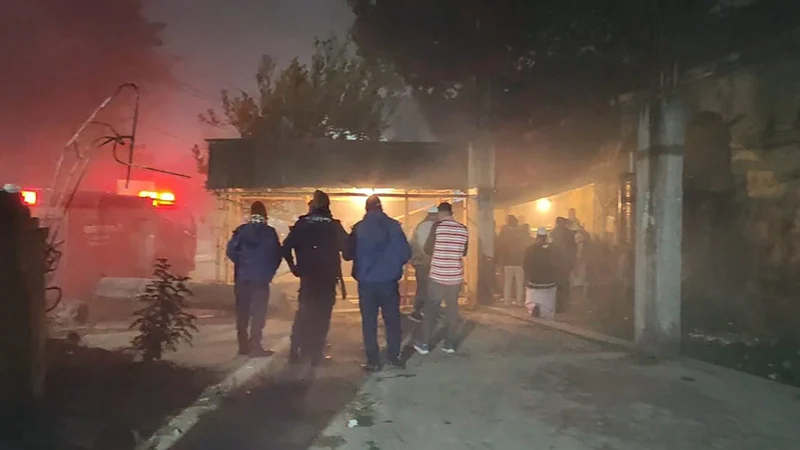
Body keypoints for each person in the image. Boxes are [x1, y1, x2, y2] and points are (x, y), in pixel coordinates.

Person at [282, 190, 349, 366]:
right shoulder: (333, 225)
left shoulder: (302, 224)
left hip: (308, 279)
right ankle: (315, 355)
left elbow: (286, 247)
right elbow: (348, 251)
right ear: (327, 206)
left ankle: (295, 351)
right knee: (322, 317)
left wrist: (294, 268)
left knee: (304, 314)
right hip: (327, 280)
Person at [347, 195, 411, 371]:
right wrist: (392, 265)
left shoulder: (359, 228)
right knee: (392, 320)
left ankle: (373, 361)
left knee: (369, 322)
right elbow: (406, 253)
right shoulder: (394, 226)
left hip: (367, 283)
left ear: (366, 209)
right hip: (389, 282)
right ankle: (394, 357)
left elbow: (348, 254)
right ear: (381, 207)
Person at [225, 201, 283, 357]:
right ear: (265, 215)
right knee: (258, 313)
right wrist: (268, 271)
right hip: (261, 279)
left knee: (242, 313)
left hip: (243, 278)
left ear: (251, 214)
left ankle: (243, 346)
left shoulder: (241, 231)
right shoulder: (270, 233)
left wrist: (242, 263)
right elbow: (277, 255)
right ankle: (256, 346)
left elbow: (230, 251)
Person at [414, 202, 468, 355]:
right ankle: (449, 344)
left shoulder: (437, 227)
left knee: (431, 309)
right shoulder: (463, 229)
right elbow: (464, 252)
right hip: (455, 277)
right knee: (452, 311)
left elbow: (427, 249)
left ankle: (425, 344)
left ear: (440, 213)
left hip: (437, 275)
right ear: (451, 213)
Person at [408, 206, 439, 322]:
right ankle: (427, 313)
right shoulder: (435, 227)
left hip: (420, 262)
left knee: (422, 287)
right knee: (431, 288)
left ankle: (417, 311)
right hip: (430, 262)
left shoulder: (419, 226)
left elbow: (413, 244)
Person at [523, 227, 557, 319]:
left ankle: (534, 307)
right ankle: (546, 314)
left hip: (534, 280)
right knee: (548, 301)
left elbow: (525, 264)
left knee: (533, 298)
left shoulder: (529, 248)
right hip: (548, 281)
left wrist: (527, 276)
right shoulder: (551, 249)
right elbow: (556, 263)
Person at [497, 215, 526, 306]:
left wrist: (501, 261)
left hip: (507, 261)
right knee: (519, 283)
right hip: (519, 261)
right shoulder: (521, 231)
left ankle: (507, 301)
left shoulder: (504, 232)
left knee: (507, 282)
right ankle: (519, 301)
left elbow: (500, 246)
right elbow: (524, 246)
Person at [551, 217, 577, 313]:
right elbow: (574, 249)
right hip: (566, 264)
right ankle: (565, 305)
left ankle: (557, 305)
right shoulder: (570, 234)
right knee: (565, 284)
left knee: (556, 285)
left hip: (556, 263)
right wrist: (573, 263)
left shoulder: (554, 233)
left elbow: (551, 248)